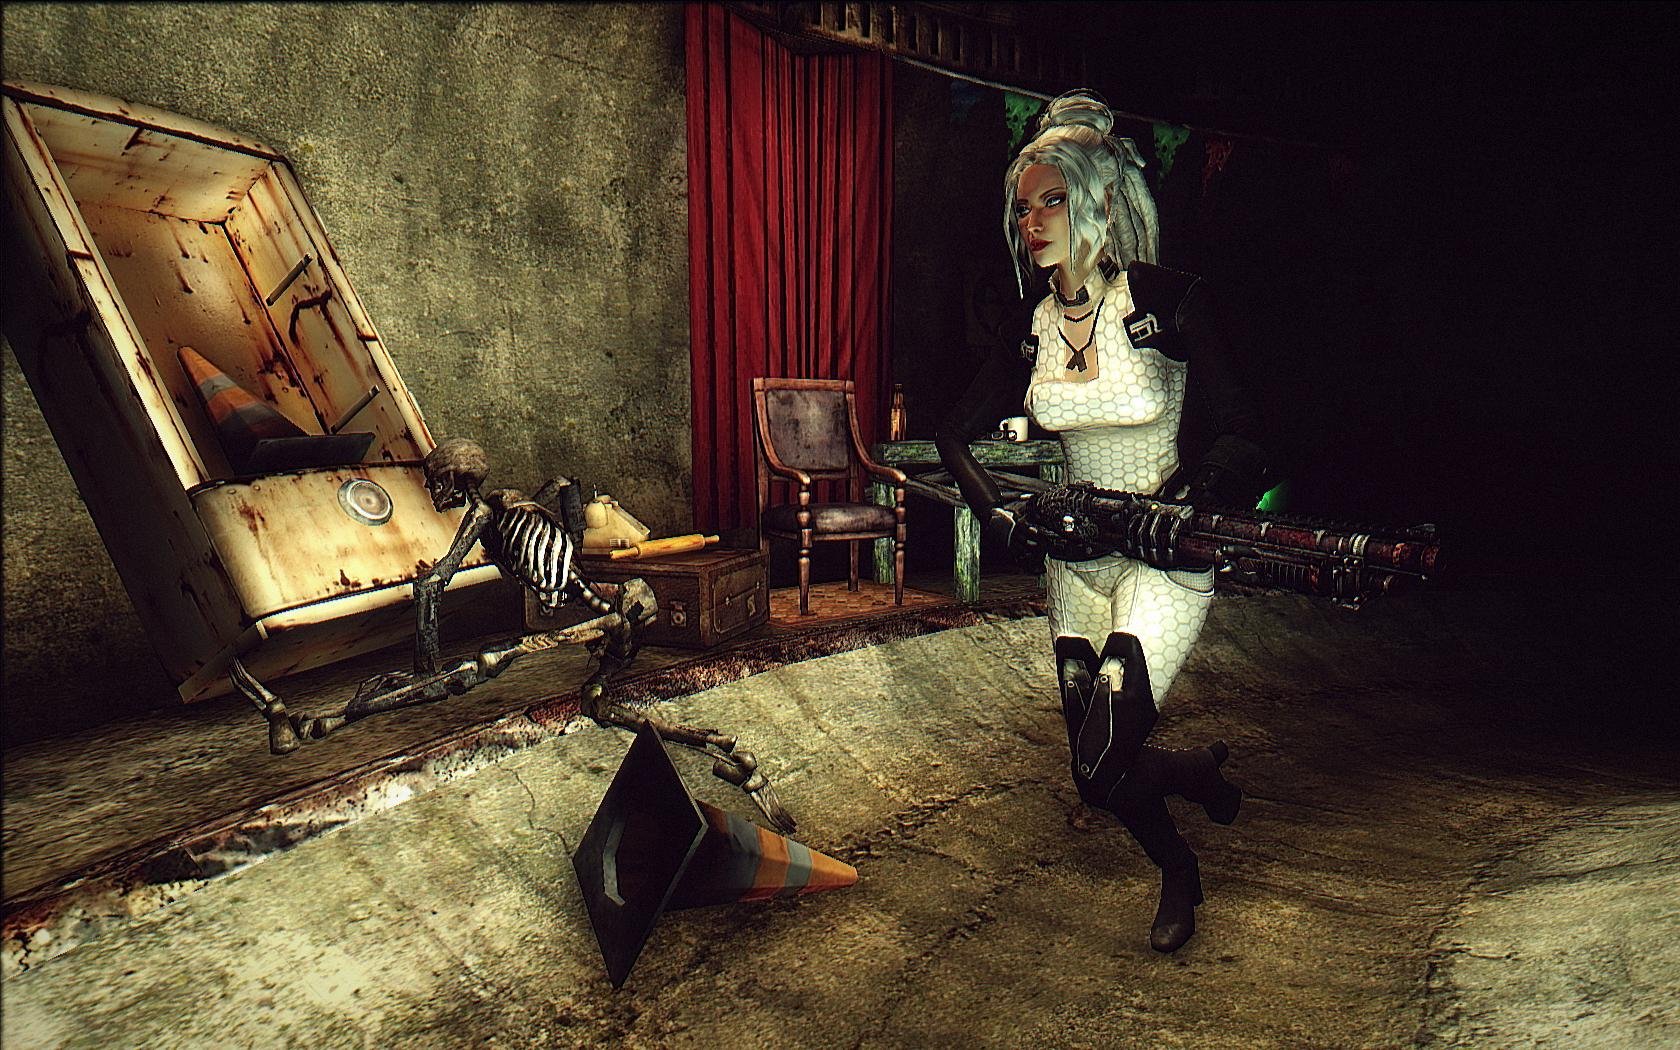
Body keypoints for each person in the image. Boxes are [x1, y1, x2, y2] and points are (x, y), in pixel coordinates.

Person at [936, 90, 1272, 953]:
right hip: (1073, 567)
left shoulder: (1164, 302)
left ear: (1098, 201)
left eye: (1051, 200)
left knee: (1101, 758)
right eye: (1023, 207)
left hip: (1162, 560)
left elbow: (1248, 429)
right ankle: (1188, 782)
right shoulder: (1032, 326)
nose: (1033, 222)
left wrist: (1189, 498)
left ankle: (1178, 870)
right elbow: (952, 432)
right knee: (1093, 774)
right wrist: (995, 510)